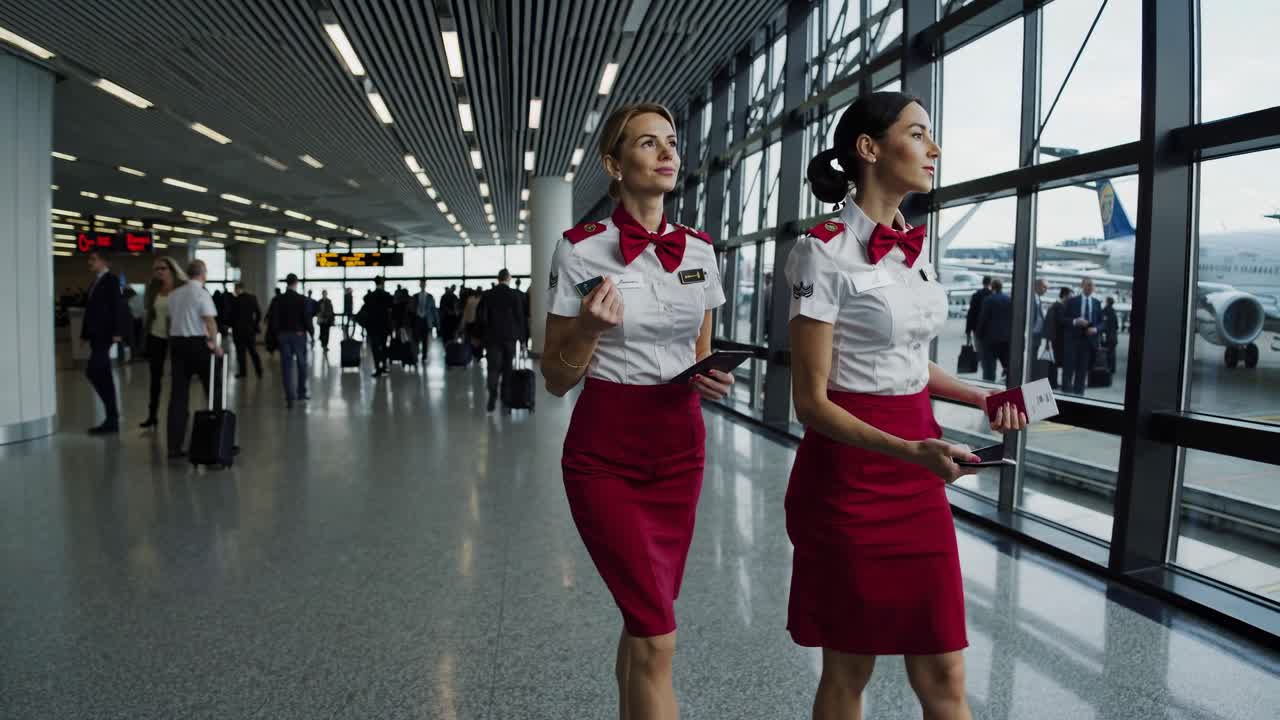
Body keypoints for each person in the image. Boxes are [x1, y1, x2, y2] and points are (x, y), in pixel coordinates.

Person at [787, 92, 1027, 720]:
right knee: (850, 665)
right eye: (919, 134)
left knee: (945, 668)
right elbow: (810, 402)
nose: (935, 150)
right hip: (851, 474)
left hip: (918, 478)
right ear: (869, 149)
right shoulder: (822, 251)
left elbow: (907, 361)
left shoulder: (915, 251)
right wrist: (911, 451)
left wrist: (981, 395)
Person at [541, 102, 733, 718]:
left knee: (645, 621)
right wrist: (589, 331)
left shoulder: (700, 251)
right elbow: (553, 379)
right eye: (647, 144)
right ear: (613, 164)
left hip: (680, 448)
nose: (667, 152)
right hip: (606, 448)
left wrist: (712, 379)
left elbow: (700, 353)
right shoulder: (579, 251)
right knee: (657, 631)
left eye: (671, 142)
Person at [165, 259, 222, 459]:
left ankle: (174, 445)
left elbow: (172, 319)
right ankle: (216, 440)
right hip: (198, 345)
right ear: (202, 273)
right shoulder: (201, 293)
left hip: (177, 345)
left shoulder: (173, 295)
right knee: (213, 391)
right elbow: (210, 322)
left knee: (178, 396)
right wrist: (215, 345)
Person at [81, 251, 128, 434]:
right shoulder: (95, 282)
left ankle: (112, 417)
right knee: (103, 374)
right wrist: (84, 334)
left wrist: (117, 332)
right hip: (95, 335)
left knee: (93, 370)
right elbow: (90, 309)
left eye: (93, 259)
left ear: (103, 261)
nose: (89, 262)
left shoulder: (111, 280)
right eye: (89, 259)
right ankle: (112, 419)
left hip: (105, 334)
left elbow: (117, 306)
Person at [139, 257, 188, 429]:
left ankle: (179, 415)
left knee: (178, 377)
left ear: (172, 269)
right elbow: (149, 312)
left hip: (176, 336)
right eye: (156, 269)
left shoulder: (182, 287)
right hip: (156, 336)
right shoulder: (153, 288)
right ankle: (152, 415)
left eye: (162, 268)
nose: (159, 271)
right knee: (155, 378)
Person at [480, 269, 528, 413]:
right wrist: (524, 340)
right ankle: (506, 401)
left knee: (493, 368)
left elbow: (482, 317)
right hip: (510, 339)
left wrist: (480, 336)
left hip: (492, 338)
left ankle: (492, 395)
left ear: (497, 278)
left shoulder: (488, 295)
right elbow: (520, 318)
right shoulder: (514, 295)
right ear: (509, 278)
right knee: (507, 369)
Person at [270, 274, 312, 408]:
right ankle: (301, 392)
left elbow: (274, 319)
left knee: (286, 366)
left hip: (283, 335)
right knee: (301, 364)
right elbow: (306, 318)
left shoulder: (278, 299)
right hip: (299, 335)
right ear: (296, 283)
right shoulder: (301, 299)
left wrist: (277, 333)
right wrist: (311, 332)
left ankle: (289, 397)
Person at [1063, 278, 1103, 395]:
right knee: (1069, 368)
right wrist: (1075, 321)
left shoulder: (1097, 303)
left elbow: (1102, 323)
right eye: (1088, 285)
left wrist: (1095, 329)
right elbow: (1063, 319)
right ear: (1082, 286)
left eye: (1092, 286)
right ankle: (1066, 394)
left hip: (1088, 340)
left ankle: (1079, 393)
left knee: (1082, 369)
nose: (1090, 288)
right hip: (1073, 339)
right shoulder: (1072, 301)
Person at [975, 278, 1012, 382]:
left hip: (989, 340)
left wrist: (978, 335)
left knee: (989, 370)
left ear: (992, 287)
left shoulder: (988, 300)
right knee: (1007, 365)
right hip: (1005, 339)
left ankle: (990, 388)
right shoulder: (1009, 300)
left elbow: (983, 319)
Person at [361, 277, 394, 376]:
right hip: (384, 326)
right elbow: (391, 310)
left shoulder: (369, 296)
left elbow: (365, 308)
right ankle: (384, 366)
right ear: (382, 283)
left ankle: (377, 368)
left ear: (375, 284)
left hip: (373, 326)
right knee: (384, 346)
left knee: (375, 347)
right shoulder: (387, 296)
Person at [231, 283, 263, 378]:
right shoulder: (252, 298)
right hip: (250, 330)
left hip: (237, 330)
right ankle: (259, 371)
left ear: (237, 289)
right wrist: (255, 324)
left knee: (240, 353)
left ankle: (243, 373)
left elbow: (231, 316)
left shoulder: (235, 300)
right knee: (253, 351)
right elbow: (258, 313)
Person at [1043, 287, 1072, 389]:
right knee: (1054, 362)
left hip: (1054, 338)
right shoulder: (1059, 307)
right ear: (1065, 295)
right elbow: (1061, 322)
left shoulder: (1054, 305)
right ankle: (1053, 383)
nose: (1071, 298)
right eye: (1070, 295)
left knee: (1053, 362)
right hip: (1058, 339)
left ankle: (1053, 382)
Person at [965, 276, 992, 356]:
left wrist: (968, 330)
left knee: (978, 347)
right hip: (989, 327)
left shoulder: (976, 295)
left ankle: (980, 359)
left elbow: (971, 313)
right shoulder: (992, 295)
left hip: (976, 326)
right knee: (987, 348)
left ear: (982, 283)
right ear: (990, 283)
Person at [413, 279, 439, 359]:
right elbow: (412, 309)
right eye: (421, 284)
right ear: (420, 285)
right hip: (417, 319)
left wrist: (437, 321)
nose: (422, 285)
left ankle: (424, 355)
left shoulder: (430, 297)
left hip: (426, 320)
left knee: (425, 339)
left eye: (424, 284)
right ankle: (416, 354)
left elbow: (433, 309)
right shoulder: (415, 296)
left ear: (425, 285)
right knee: (416, 338)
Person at [1103, 296, 1119, 374]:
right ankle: (1112, 368)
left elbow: (1103, 324)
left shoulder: (1105, 310)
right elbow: (1116, 326)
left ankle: (1108, 368)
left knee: (1106, 353)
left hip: (1107, 336)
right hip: (1114, 336)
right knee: (1112, 353)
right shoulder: (1114, 311)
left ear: (1107, 302)